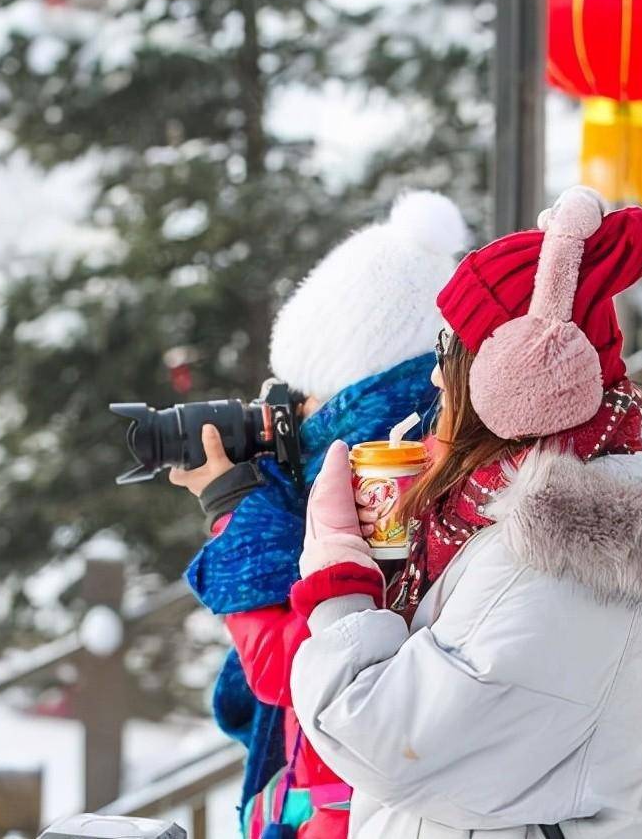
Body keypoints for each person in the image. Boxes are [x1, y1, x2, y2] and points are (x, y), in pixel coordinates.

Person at [286, 186, 642, 839]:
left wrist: (338, 586)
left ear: (521, 382)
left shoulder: (547, 566)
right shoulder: (584, 502)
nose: (437, 381)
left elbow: (383, 737)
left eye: (450, 353)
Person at [180, 191, 470, 838]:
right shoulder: (433, 455)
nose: (297, 412)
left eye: (313, 393)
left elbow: (302, 666)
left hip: (352, 811)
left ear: (363, 383)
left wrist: (236, 512)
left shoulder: (390, 483)